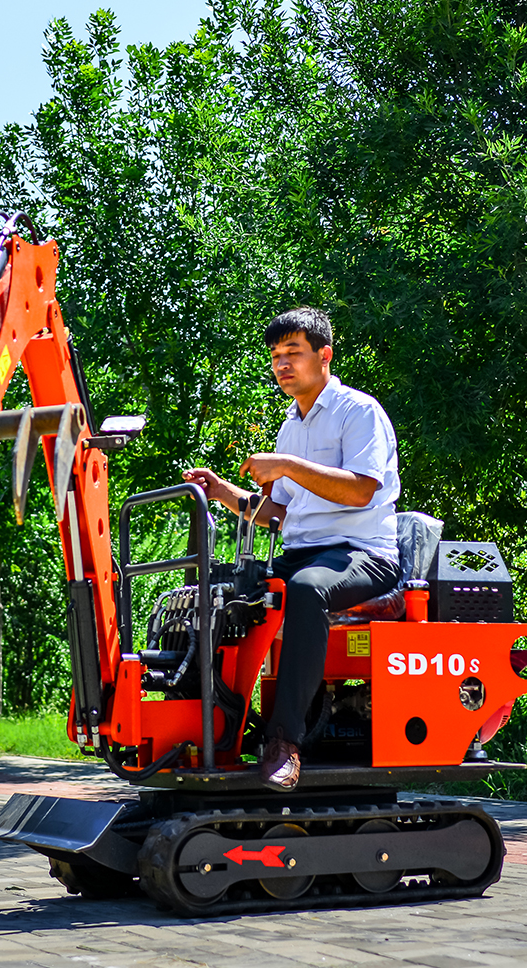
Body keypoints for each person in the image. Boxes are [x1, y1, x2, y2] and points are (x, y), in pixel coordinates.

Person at [183, 308, 400, 791]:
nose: (282, 365)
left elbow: (362, 491)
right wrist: (221, 491)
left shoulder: (359, 412)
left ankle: (285, 743)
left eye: (293, 354)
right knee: (218, 588)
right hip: (303, 550)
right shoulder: (291, 426)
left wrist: (286, 463)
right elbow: (278, 513)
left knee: (305, 590)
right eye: (277, 356)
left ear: (324, 356)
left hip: (362, 555)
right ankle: (215, 728)